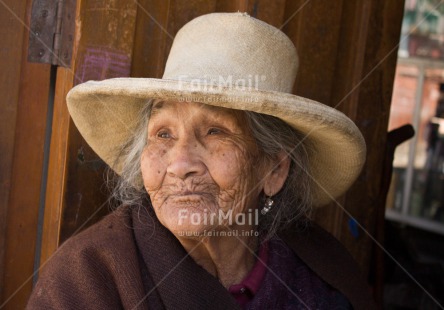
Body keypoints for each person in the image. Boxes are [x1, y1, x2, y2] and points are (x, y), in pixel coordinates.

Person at [28, 12, 376, 309]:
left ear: (274, 169)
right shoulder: (87, 277)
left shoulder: (323, 278)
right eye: (163, 135)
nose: (180, 165)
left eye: (214, 132)